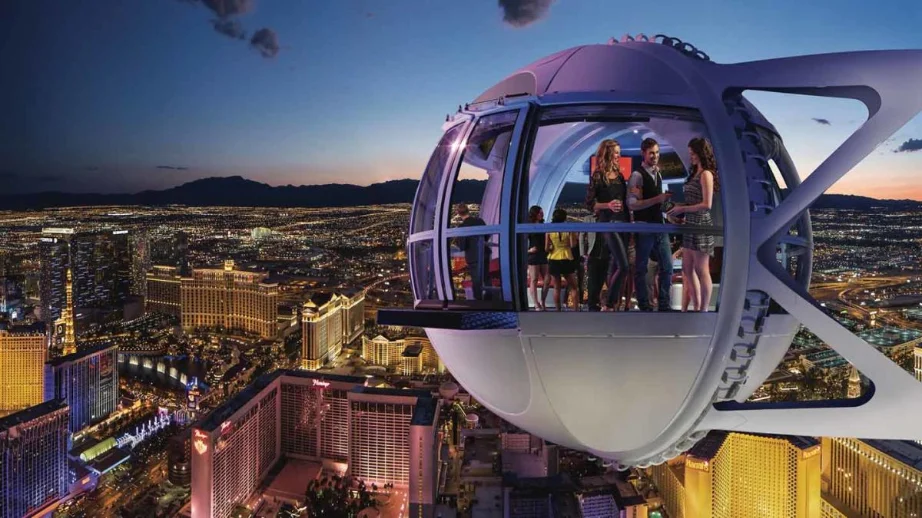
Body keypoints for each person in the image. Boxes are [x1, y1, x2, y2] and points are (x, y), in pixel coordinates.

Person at [668, 137, 718, 311]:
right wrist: (679, 210)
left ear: (700, 153)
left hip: (701, 225)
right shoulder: (694, 173)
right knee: (687, 268)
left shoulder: (706, 174)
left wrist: (684, 210)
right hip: (690, 224)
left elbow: (707, 204)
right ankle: (696, 305)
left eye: (693, 153)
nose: (691, 157)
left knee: (701, 269)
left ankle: (702, 309)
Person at [627, 138, 674, 312]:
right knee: (641, 268)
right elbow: (632, 204)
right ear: (643, 153)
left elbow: (657, 204)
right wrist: (657, 199)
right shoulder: (637, 175)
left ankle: (663, 303)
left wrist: (670, 214)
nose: (655, 156)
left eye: (657, 152)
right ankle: (644, 304)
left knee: (668, 267)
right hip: (644, 226)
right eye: (651, 153)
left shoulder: (658, 173)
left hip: (659, 226)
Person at [585, 139, 630, 311]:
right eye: (616, 152)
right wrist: (607, 205)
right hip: (608, 224)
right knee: (624, 266)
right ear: (608, 153)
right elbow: (589, 204)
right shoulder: (598, 176)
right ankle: (609, 304)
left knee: (618, 266)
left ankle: (611, 303)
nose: (619, 155)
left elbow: (625, 203)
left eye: (619, 152)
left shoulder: (619, 175)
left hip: (624, 224)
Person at [453, 204, 490, 300]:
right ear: (468, 210)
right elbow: (487, 236)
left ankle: (479, 302)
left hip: (473, 257)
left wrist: (456, 242)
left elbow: (462, 246)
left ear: (458, 213)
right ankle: (491, 300)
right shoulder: (479, 221)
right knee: (486, 277)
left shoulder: (462, 227)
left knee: (476, 280)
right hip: (485, 253)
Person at [545, 208, 579, 311]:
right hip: (566, 257)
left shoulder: (549, 229)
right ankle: (575, 310)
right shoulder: (569, 229)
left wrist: (553, 247)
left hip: (553, 258)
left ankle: (558, 309)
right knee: (573, 287)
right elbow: (573, 245)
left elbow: (546, 248)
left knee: (556, 286)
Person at [579, 214, 609, 312]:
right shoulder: (587, 219)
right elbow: (582, 236)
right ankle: (592, 304)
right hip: (592, 254)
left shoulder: (607, 217)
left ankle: (597, 302)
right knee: (592, 280)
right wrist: (583, 253)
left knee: (601, 280)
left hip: (606, 254)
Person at [526, 205, 551, 310]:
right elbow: (520, 243)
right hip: (533, 256)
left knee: (547, 279)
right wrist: (529, 250)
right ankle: (536, 304)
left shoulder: (543, 225)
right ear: (534, 214)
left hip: (543, 254)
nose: (542, 214)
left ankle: (543, 301)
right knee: (534, 279)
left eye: (542, 212)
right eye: (540, 212)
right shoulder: (528, 226)